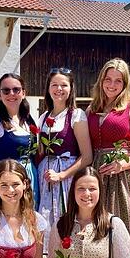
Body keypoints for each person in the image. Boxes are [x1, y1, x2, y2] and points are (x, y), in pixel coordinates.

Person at [86, 58, 130, 253]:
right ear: (101, 81)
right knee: (95, 233)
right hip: (95, 174)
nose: (112, 85)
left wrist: (123, 163)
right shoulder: (91, 110)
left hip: (123, 178)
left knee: (119, 237)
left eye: (118, 80)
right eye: (108, 79)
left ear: (125, 83)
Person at [35, 67, 93, 228]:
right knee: (44, 218)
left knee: (65, 217)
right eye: (54, 85)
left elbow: (87, 156)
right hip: (45, 176)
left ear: (71, 88)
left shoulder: (76, 115)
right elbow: (40, 151)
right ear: (48, 88)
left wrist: (62, 175)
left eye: (64, 85)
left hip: (67, 176)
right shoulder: (43, 117)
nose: (58, 89)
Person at [0, 73, 40, 208]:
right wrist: (4, 176)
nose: (11, 94)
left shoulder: (29, 120)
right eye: (6, 90)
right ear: (0, 95)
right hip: (9, 180)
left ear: (23, 93)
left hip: (31, 176)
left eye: (16, 90)